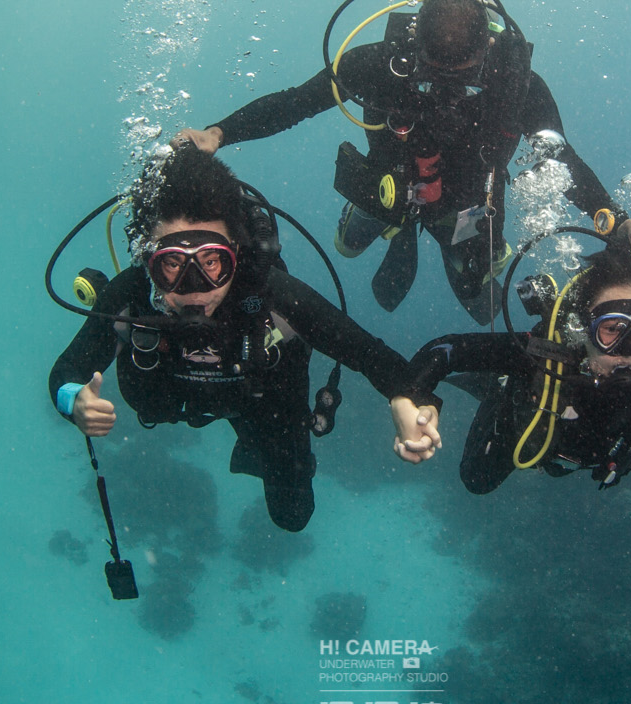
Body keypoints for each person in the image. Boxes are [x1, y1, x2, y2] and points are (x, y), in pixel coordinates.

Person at [173, 0, 623, 324]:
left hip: (467, 203)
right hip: (388, 183)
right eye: (435, 72)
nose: (447, 88)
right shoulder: (379, 65)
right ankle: (399, 229)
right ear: (414, 44)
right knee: (346, 247)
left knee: (481, 303)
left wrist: (611, 219)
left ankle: (426, 234)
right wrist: (219, 132)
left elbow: (561, 162)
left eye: (462, 74)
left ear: (487, 47)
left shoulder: (517, 85)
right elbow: (297, 103)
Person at [47, 145, 441, 532]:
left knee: (292, 517)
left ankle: (260, 449)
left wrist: (407, 399)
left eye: (211, 262)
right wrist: (73, 401)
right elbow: (65, 372)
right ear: (147, 258)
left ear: (236, 252)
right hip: (169, 397)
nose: (194, 289)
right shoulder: (130, 296)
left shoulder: (271, 294)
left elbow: (369, 353)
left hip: (263, 404)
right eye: (171, 265)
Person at [400, 244, 631, 493]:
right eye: (612, 329)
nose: (629, 351)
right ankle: (497, 387)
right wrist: (413, 399)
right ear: (584, 327)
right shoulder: (546, 357)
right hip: (525, 419)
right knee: (476, 480)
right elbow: (444, 350)